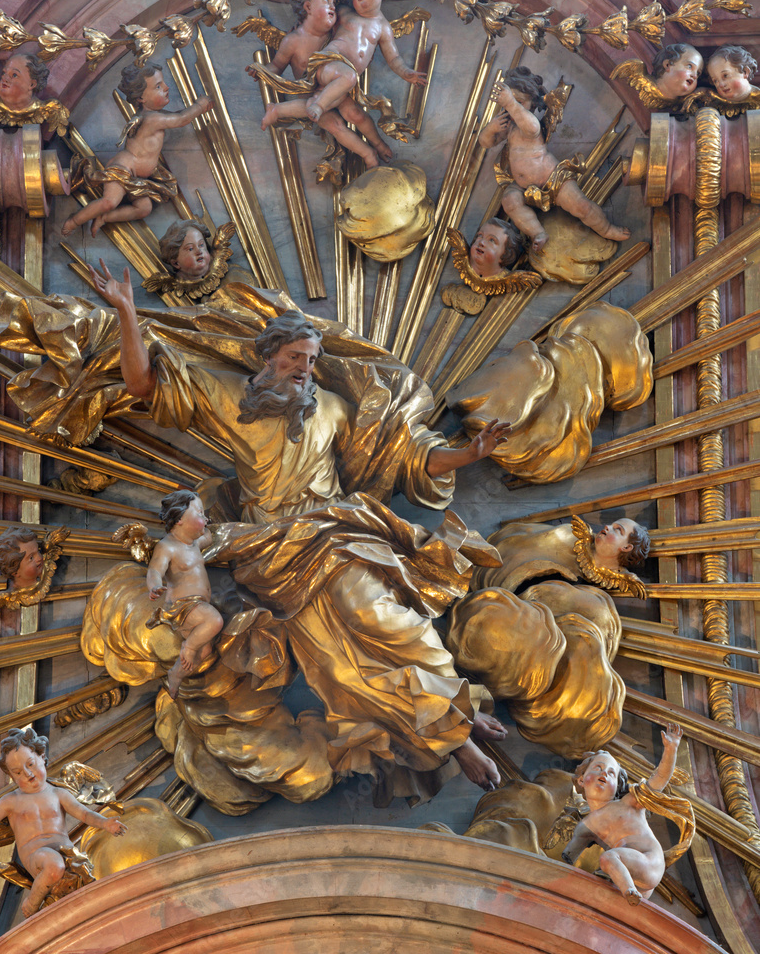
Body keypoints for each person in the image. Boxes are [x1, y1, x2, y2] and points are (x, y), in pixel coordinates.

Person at [88, 258, 511, 793]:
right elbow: (143, 381)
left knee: (385, 622)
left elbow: (403, 459)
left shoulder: (333, 408)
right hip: (272, 553)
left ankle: (459, 720)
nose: (304, 368)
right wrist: (127, 312)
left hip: (336, 531)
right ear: (266, 356)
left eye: (311, 360)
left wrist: (468, 455)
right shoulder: (227, 399)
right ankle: (455, 738)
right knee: (337, 669)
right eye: (293, 358)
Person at [447, 516, 650, 758]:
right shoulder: (567, 538)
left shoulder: (600, 606)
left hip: (525, 647)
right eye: (610, 524)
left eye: (618, 530)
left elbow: (591, 652)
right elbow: (519, 544)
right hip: (493, 607)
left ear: (626, 548)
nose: (606, 527)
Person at [0, 728, 126, 917]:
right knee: (54, 865)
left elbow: (84, 814)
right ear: (12, 776)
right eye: (18, 772)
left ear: (42, 757)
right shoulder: (11, 801)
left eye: (31, 764)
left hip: (68, 855)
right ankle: (32, 903)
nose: (28, 773)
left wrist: (106, 824)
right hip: (37, 857)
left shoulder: (58, 793)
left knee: (89, 885)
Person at [249, 0, 393, 168]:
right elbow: (277, 66)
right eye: (327, 0)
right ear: (308, 6)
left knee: (357, 115)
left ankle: (378, 143)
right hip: (313, 93)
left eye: (334, 1)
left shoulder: (335, 32)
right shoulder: (293, 40)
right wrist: (262, 71)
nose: (333, 6)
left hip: (334, 90)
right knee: (335, 125)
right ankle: (368, 155)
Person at [478, 67, 629, 252]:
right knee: (509, 202)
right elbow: (486, 143)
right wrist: (491, 128)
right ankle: (538, 233)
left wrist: (510, 103)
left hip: (553, 179)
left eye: (519, 101)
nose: (512, 106)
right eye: (509, 101)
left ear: (532, 104)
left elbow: (532, 127)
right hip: (522, 186)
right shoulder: (509, 125)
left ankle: (607, 229)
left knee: (581, 206)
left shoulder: (529, 122)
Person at [62, 64, 212, 236]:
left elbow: (177, 115)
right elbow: (180, 119)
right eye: (158, 86)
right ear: (141, 98)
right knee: (109, 202)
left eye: (163, 83)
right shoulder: (152, 119)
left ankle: (104, 218)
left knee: (143, 209)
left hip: (136, 176)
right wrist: (200, 106)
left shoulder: (154, 115)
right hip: (123, 169)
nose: (166, 87)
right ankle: (74, 220)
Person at [561, 723, 691, 905]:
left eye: (611, 773)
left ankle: (629, 890)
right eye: (598, 768)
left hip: (649, 861)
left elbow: (659, 780)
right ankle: (625, 890)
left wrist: (671, 749)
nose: (604, 773)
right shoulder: (585, 826)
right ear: (582, 780)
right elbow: (566, 859)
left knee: (608, 858)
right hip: (627, 870)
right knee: (604, 877)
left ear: (617, 786)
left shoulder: (629, 802)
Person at [298, 0, 426, 123]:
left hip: (342, 82)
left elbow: (393, 58)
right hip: (329, 64)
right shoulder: (344, 12)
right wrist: (303, 26)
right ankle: (318, 106)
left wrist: (405, 72)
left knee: (351, 114)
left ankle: (278, 111)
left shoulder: (383, 27)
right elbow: (320, 20)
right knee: (344, 81)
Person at [146, 489, 224, 698]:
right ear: (180, 519)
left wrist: (208, 522)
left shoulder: (193, 544)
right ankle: (187, 648)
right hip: (183, 607)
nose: (204, 517)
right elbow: (155, 570)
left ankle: (175, 675)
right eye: (199, 513)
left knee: (205, 651)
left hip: (199, 606)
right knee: (215, 621)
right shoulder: (167, 547)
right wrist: (154, 586)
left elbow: (208, 536)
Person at [0, 525, 44, 590]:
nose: (39, 558)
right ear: (15, 572)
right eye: (31, 558)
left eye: (38, 551)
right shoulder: (9, 599)